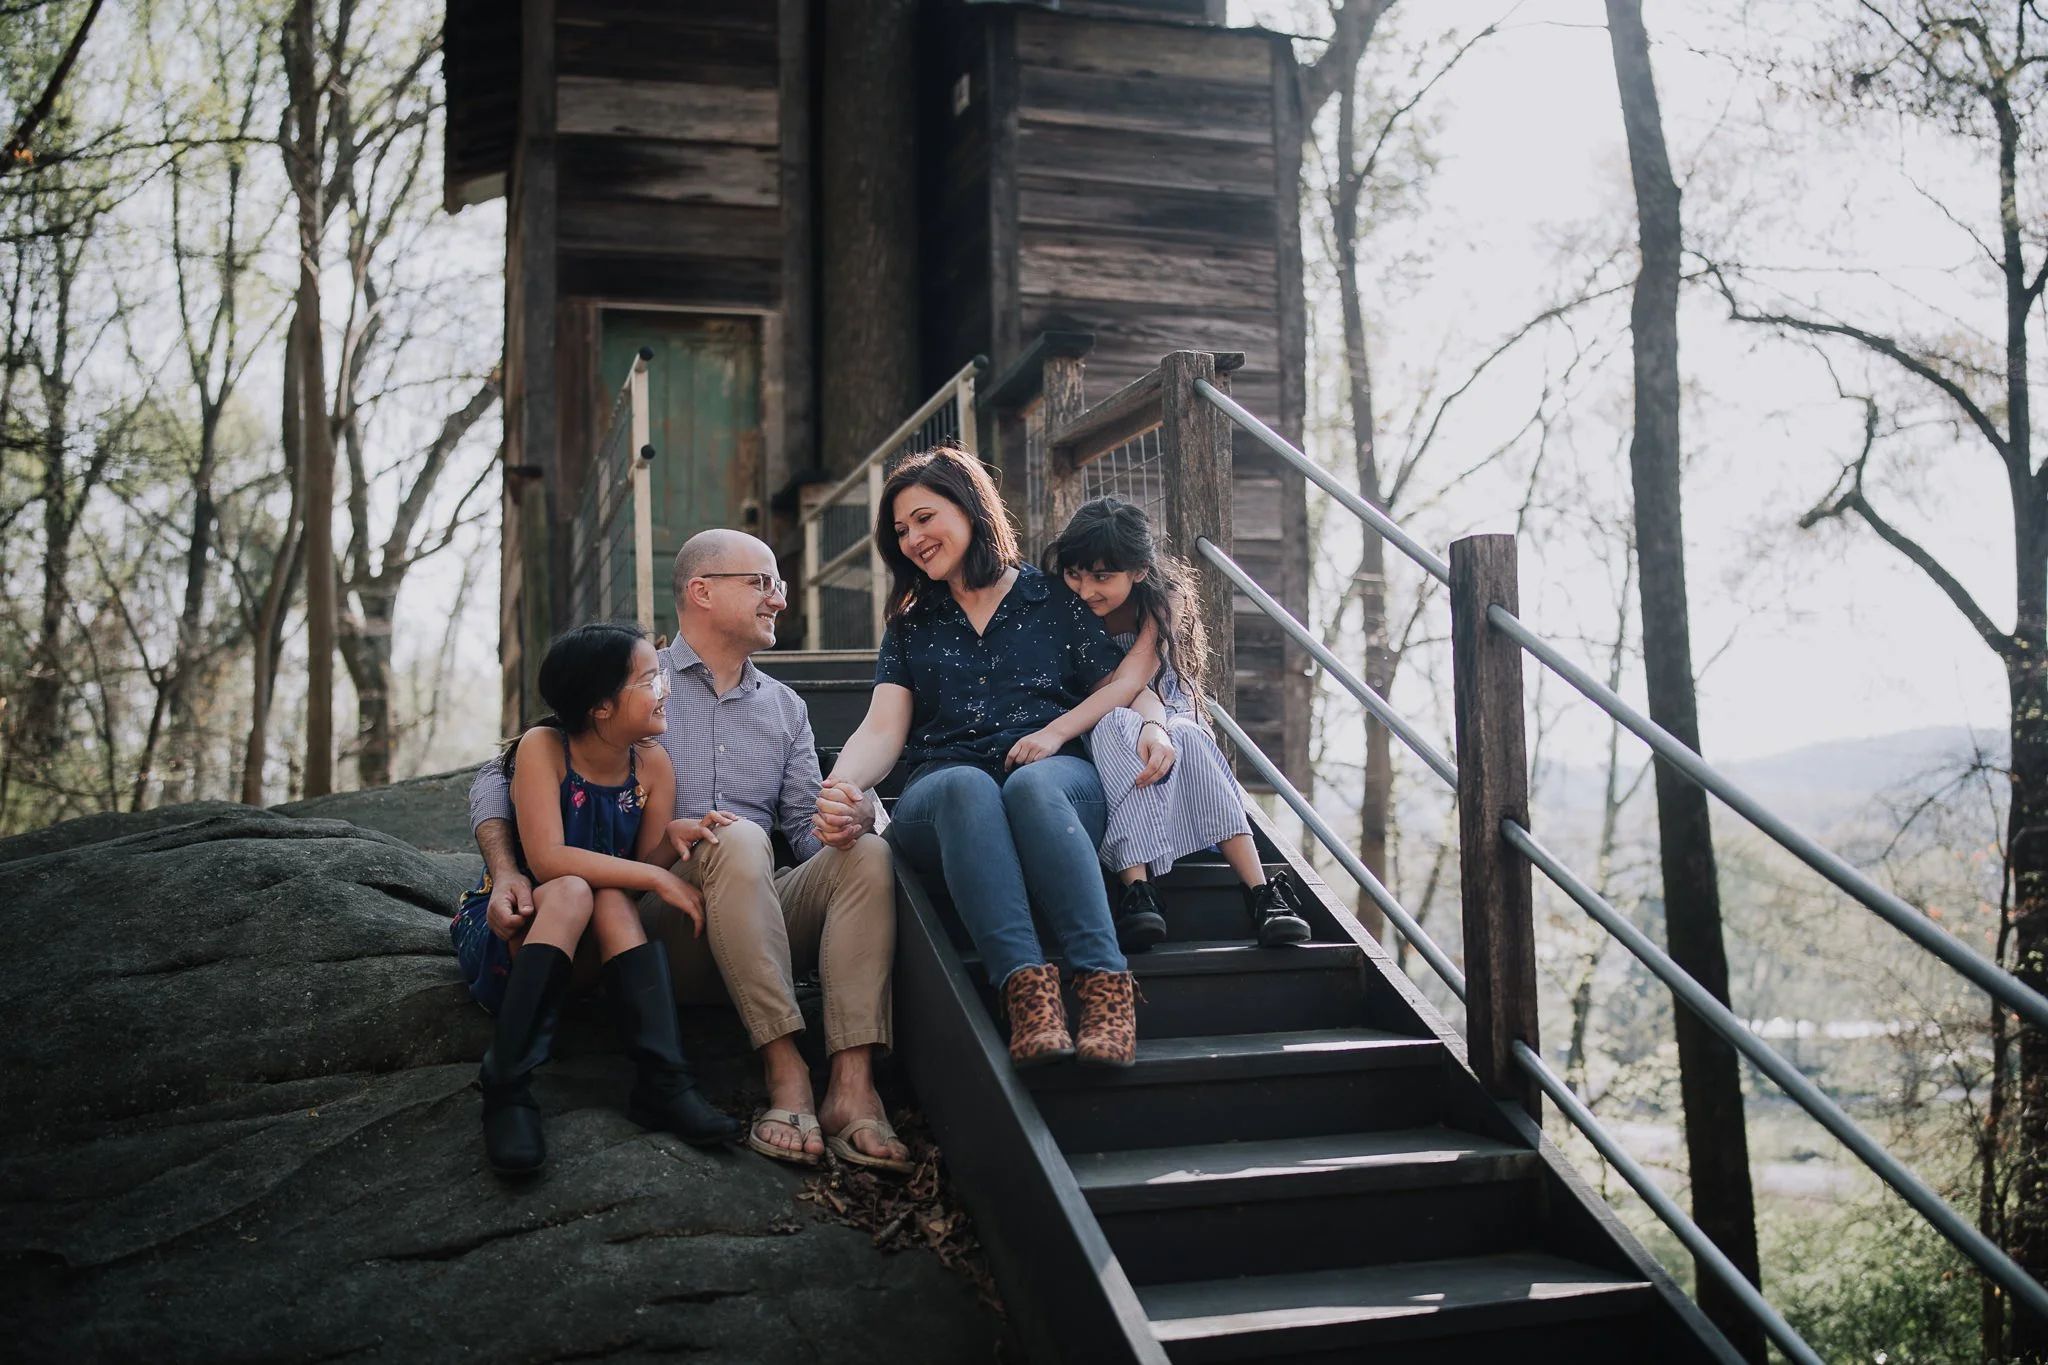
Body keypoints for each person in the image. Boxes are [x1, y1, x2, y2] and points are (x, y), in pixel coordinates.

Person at [468, 530, 909, 1173]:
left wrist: (863, 816)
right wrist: (507, 869)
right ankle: (786, 1073)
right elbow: (500, 774)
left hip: (756, 918)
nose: (778, 600)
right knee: (730, 835)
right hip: (659, 927)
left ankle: (851, 1088)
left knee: (866, 854)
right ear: (701, 591)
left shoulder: (785, 709)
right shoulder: (633, 678)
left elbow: (813, 834)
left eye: (778, 585)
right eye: (763, 583)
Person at [816, 446, 1158, 1069]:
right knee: (968, 787)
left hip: (1057, 781)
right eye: (901, 530)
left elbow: (1124, 683)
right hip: (941, 795)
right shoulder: (912, 624)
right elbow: (882, 728)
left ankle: (1107, 991)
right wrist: (841, 787)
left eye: (924, 517)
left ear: (971, 508)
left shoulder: (1055, 599)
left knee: (1030, 786)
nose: (914, 538)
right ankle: (1029, 998)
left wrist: (1157, 724)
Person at [450, 622, 745, 1175]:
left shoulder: (652, 764)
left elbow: (635, 873)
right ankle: (507, 1087)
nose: (666, 689)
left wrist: (668, 850)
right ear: (602, 707)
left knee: (609, 896)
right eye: (650, 679)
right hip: (519, 935)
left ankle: (663, 1083)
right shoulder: (545, 748)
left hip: (588, 954)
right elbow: (548, 861)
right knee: (573, 889)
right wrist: (658, 879)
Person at [1043, 497, 1311, 950]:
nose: (1086, 589)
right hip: (1096, 707)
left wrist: (1157, 726)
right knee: (1114, 729)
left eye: (1102, 577)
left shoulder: (1166, 597)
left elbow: (1136, 680)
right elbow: (1111, 693)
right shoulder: (1064, 602)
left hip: (1163, 701)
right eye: (1077, 573)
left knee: (1188, 736)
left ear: (1139, 571)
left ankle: (1262, 893)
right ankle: (1137, 888)